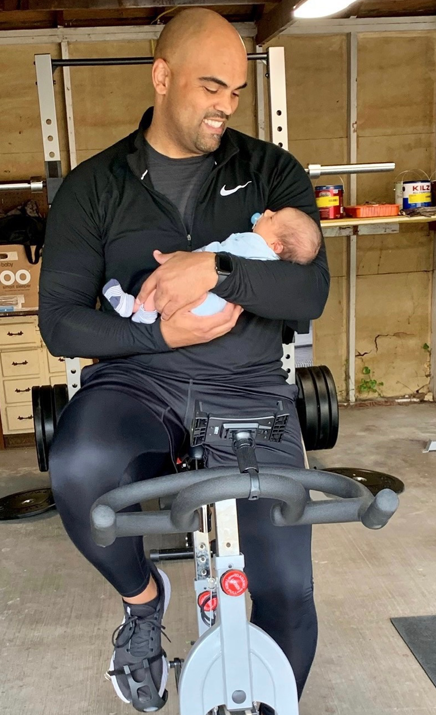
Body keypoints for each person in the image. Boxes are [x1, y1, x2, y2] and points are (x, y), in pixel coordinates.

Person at [38, 8, 330, 715]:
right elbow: (61, 321)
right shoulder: (93, 186)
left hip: (250, 387)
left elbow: (309, 287)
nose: (226, 105)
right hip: (140, 383)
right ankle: (144, 603)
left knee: (286, 597)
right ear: (162, 77)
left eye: (235, 90)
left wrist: (217, 269)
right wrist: (159, 341)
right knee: (78, 467)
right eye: (211, 87)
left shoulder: (269, 171)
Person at [103, 207, 322, 324]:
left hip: (207, 297)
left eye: (272, 218)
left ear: (276, 246)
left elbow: (214, 256)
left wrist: (185, 259)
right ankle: (142, 311)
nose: (267, 212)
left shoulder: (252, 243)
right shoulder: (271, 266)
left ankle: (136, 309)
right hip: (216, 309)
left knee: (166, 281)